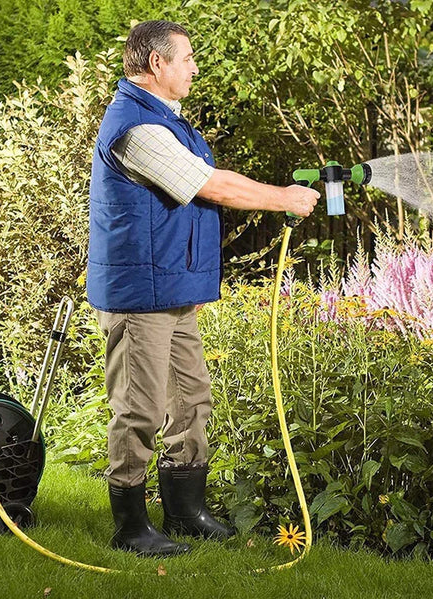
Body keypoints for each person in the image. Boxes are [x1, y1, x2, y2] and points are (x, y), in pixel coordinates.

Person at [87, 20, 319, 557]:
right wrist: (281, 197)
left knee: (191, 401)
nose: (193, 67)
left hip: (172, 286)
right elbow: (208, 184)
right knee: (140, 410)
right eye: (186, 58)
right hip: (140, 292)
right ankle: (130, 527)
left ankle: (186, 512)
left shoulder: (169, 122)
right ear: (155, 65)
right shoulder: (135, 129)